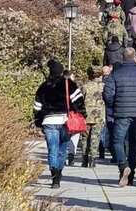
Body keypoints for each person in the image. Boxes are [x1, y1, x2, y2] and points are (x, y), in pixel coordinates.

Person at [103, 48, 136, 187]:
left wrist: (114, 106)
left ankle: (123, 165)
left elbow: (107, 95)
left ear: (123, 57)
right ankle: (130, 175)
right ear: (135, 57)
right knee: (134, 144)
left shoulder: (115, 74)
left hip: (121, 112)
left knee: (117, 141)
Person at [33, 60, 85, 188]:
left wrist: (38, 121)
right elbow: (79, 101)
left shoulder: (43, 86)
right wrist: (82, 114)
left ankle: (55, 178)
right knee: (62, 150)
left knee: (52, 150)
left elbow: (37, 107)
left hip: (49, 122)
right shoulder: (69, 84)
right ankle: (59, 172)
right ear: (61, 71)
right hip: (65, 121)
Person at [81, 66, 107, 168]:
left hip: (86, 114)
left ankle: (84, 159)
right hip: (99, 114)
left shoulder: (85, 86)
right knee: (95, 137)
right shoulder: (103, 87)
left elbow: (81, 99)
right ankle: (93, 159)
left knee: (84, 137)